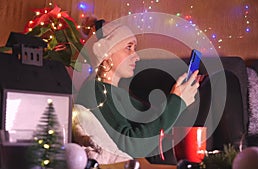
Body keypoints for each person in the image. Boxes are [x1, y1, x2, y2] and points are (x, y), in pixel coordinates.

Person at [72, 20, 202, 164]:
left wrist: (180, 99)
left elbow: (151, 124)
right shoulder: (97, 91)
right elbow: (132, 146)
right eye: (129, 47)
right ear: (106, 53)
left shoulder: (114, 92)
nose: (137, 56)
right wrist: (177, 102)